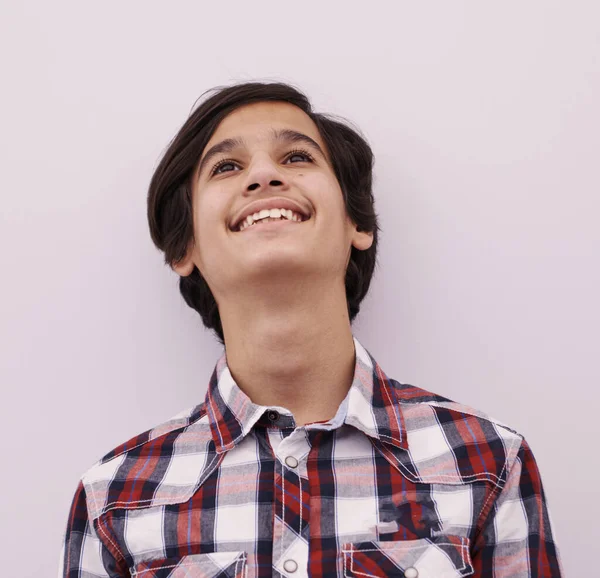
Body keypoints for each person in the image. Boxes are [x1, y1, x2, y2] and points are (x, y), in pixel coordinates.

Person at [59, 82, 563, 577]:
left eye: (297, 157)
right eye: (227, 166)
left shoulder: (487, 463)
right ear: (183, 249)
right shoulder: (115, 500)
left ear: (356, 224)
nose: (262, 176)